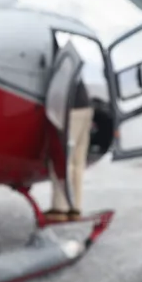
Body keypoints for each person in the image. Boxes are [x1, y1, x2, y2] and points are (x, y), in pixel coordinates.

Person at [46, 75, 94, 222]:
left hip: (71, 111)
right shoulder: (68, 63)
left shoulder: (56, 64)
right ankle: (75, 207)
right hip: (86, 108)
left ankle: (60, 208)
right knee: (78, 163)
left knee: (62, 160)